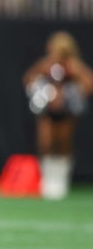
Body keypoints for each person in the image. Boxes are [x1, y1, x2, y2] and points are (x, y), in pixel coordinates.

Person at [23, 31, 93, 199]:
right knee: (45, 142)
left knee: (63, 143)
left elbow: (88, 82)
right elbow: (29, 78)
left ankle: (60, 180)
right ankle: (47, 179)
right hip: (48, 109)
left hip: (67, 110)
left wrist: (72, 93)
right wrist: (43, 92)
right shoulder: (46, 64)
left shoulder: (74, 66)